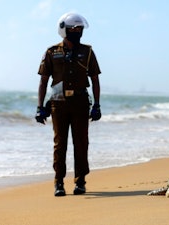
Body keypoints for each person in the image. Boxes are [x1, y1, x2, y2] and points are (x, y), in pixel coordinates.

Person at [35, 12, 102, 197]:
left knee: (81, 143)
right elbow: (43, 81)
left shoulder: (87, 52)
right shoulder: (51, 52)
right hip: (58, 104)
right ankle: (59, 183)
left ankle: (80, 181)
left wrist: (97, 105)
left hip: (81, 103)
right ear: (64, 30)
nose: (78, 32)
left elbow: (95, 80)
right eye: (74, 29)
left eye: (80, 29)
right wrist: (40, 107)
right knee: (60, 144)